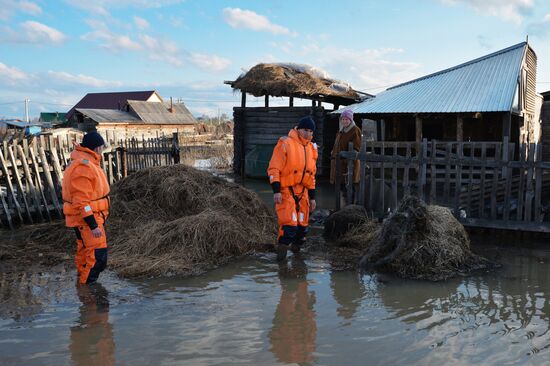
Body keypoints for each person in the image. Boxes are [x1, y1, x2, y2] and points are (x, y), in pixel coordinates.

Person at [268, 116, 318, 261]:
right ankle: (281, 261)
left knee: (302, 230)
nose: (307, 133)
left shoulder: (312, 149)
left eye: (310, 131)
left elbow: (312, 175)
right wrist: (276, 190)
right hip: (285, 191)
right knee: (289, 228)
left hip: (303, 193)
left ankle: (297, 262)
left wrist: (313, 197)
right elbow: (273, 169)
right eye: (305, 130)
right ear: (299, 129)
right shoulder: (285, 143)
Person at [62, 131, 110, 284]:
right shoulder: (83, 167)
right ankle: (88, 292)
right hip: (88, 220)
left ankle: (83, 289)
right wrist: (93, 225)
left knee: (86, 255)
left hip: (92, 217)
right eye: (101, 147)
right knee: (97, 258)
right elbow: (81, 201)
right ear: (96, 148)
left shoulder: (88, 163)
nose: (102, 149)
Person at [330, 109, 361, 205]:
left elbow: (356, 148)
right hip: (339, 165)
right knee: (341, 188)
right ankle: (342, 208)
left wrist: (347, 162)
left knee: (349, 188)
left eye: (346, 119)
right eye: (342, 119)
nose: (344, 121)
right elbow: (337, 146)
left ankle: (350, 208)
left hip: (348, 166)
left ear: (351, 120)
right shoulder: (341, 131)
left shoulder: (355, 130)